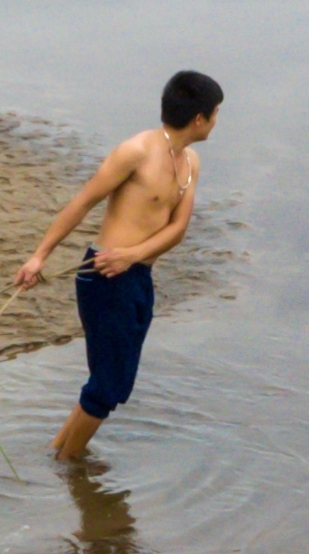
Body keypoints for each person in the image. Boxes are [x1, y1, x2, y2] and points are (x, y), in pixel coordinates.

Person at [14, 68, 221, 460]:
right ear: (199, 119)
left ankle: (58, 452)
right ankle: (70, 467)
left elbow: (177, 230)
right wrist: (39, 255)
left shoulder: (191, 162)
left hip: (137, 275)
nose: (216, 121)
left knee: (114, 382)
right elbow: (83, 201)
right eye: (215, 113)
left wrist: (134, 256)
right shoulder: (136, 152)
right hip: (104, 276)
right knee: (109, 386)